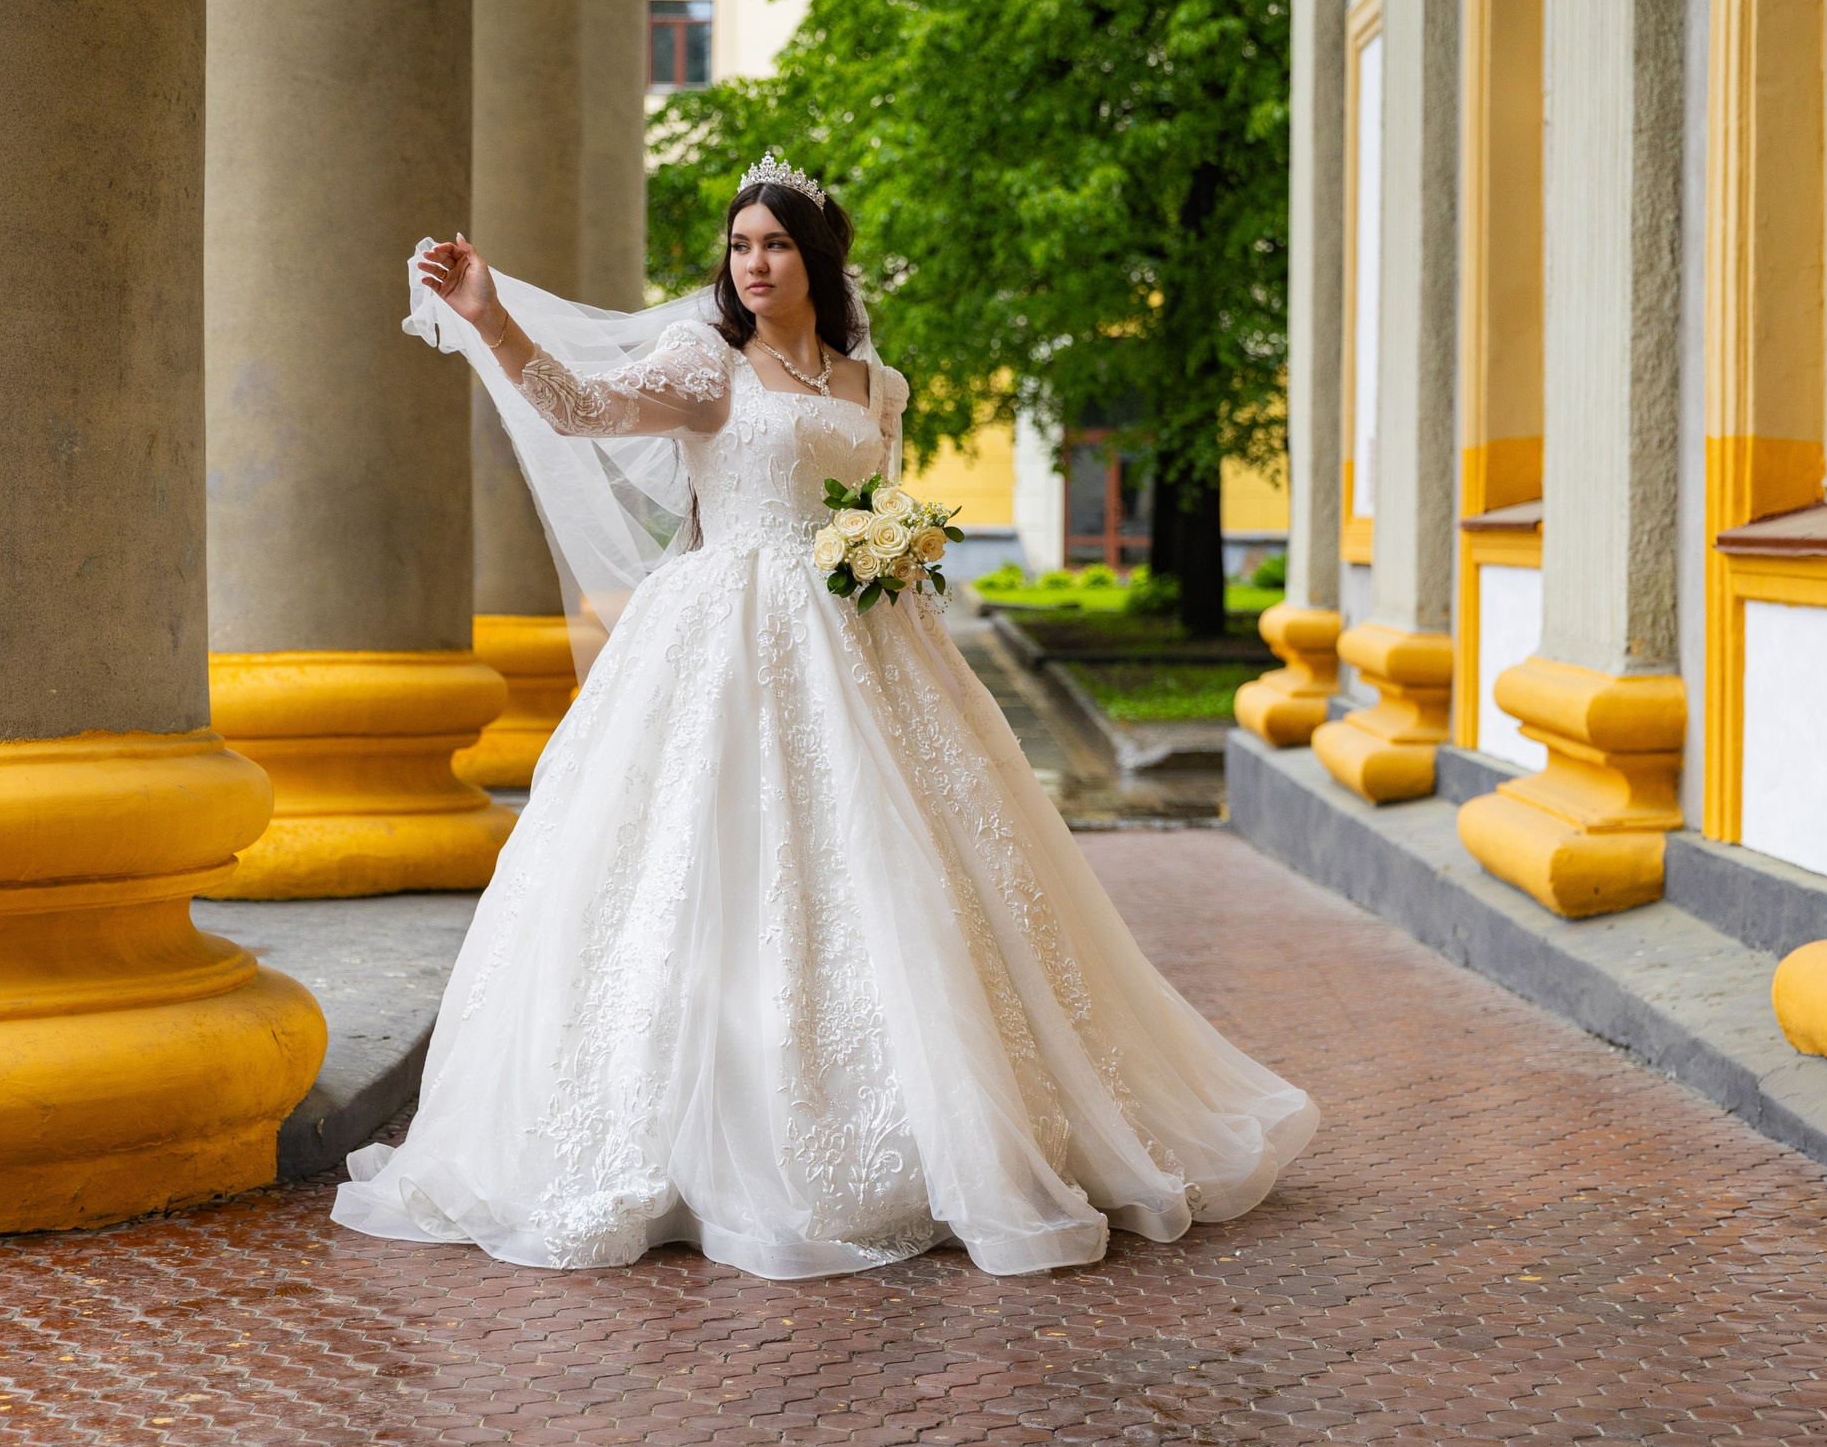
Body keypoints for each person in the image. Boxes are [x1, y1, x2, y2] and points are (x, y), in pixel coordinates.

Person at [330, 153, 1317, 1277]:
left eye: (776, 246)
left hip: (870, 637)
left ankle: (966, 1119)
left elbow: (869, 501)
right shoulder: (705, 365)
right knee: (704, 868)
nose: (753, 265)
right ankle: (684, 1132)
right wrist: (490, 319)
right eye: (740, 247)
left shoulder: (873, 387)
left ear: (818, 261)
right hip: (724, 637)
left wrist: (888, 547)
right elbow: (581, 411)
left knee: (909, 869)